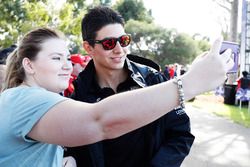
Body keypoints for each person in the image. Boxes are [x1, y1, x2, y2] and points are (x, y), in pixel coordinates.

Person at [0, 26, 232, 167]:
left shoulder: (21, 99)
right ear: (29, 65)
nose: (67, 66)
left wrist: (64, 157)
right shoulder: (24, 99)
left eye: (67, 58)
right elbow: (99, 121)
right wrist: (188, 84)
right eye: (56, 58)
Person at [64, 6, 194, 167]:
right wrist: (69, 156)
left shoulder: (153, 80)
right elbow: (71, 143)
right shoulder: (78, 96)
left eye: (124, 40)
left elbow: (181, 134)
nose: (119, 50)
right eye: (109, 43)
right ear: (88, 48)